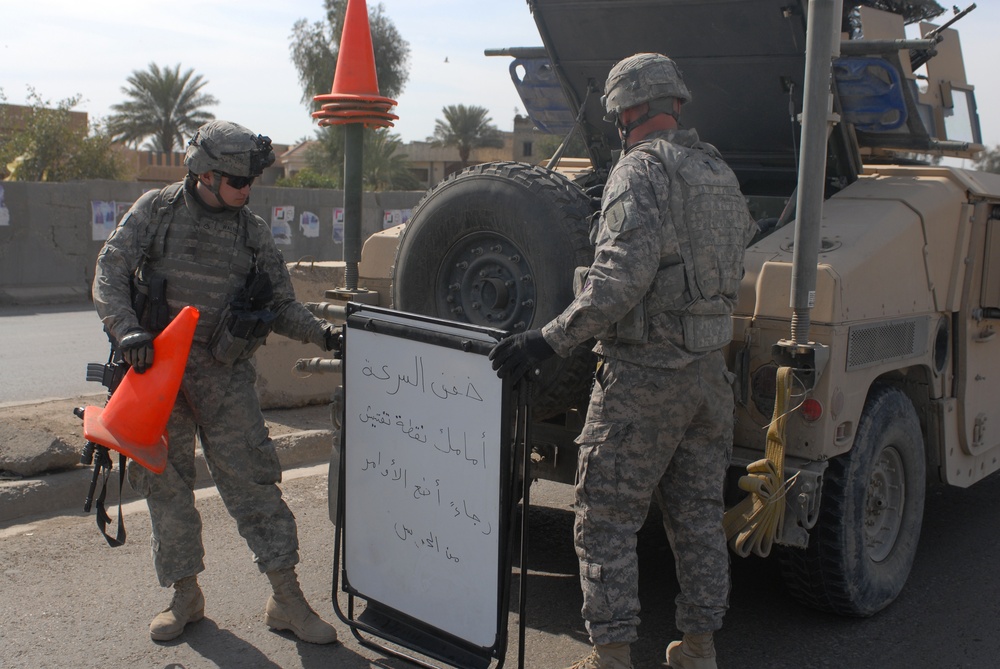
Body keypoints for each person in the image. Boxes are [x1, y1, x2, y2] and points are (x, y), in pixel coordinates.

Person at [489, 54, 757, 669]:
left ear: (625, 110)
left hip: (645, 380)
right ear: (676, 104)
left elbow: (617, 281)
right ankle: (698, 647)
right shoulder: (717, 171)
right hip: (706, 380)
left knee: (606, 518)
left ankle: (610, 657)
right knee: (695, 519)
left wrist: (547, 339)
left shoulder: (639, 172)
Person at [93, 120, 341, 645]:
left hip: (223, 376)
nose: (245, 190)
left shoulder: (250, 232)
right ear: (204, 175)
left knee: (253, 481)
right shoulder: (156, 211)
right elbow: (110, 270)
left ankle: (286, 599)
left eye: (250, 182)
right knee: (166, 485)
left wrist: (323, 335)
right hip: (157, 374)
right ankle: (185, 596)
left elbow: (280, 305)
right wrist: (128, 330)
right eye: (236, 182)